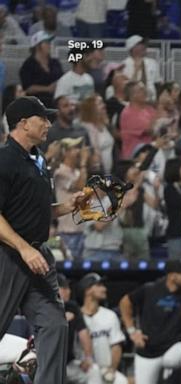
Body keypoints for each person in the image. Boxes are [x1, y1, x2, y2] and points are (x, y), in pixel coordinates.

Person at [0, 96, 86, 383]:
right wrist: (24, 249)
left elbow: (32, 210)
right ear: (23, 124)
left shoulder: (37, 161)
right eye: (42, 119)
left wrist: (68, 206)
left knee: (55, 326)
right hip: (8, 257)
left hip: (37, 257)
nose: (49, 123)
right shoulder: (5, 159)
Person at [119, 260, 181, 384]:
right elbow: (125, 302)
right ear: (172, 276)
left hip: (173, 349)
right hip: (148, 350)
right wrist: (132, 332)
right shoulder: (150, 289)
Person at [77, 273, 127, 384]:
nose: (104, 289)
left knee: (122, 381)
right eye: (99, 285)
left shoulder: (110, 315)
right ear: (88, 290)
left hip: (105, 369)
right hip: (83, 369)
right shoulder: (76, 317)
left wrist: (112, 369)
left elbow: (116, 346)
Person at [57, 273, 103, 384]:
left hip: (68, 363)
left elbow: (83, 332)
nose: (69, 291)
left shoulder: (72, 307)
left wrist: (88, 357)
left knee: (93, 371)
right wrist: (61, 320)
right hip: (47, 363)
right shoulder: (44, 306)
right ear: (56, 289)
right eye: (65, 288)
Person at [19, 30, 63, 108]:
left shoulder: (55, 62)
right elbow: (27, 88)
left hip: (56, 102)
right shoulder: (28, 65)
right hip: (36, 103)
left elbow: (62, 79)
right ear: (37, 46)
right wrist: (47, 89)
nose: (49, 45)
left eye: (49, 42)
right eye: (46, 42)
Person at [122, 35, 162, 103]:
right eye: (141, 44)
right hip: (133, 102)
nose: (145, 46)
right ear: (132, 48)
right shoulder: (124, 64)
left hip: (151, 100)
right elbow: (126, 88)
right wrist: (136, 70)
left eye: (144, 44)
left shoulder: (152, 63)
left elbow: (157, 83)